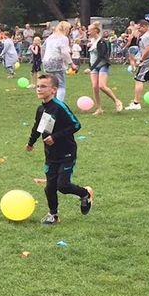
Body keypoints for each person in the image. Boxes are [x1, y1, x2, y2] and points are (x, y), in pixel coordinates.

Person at [25, 74, 92, 225]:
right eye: (37, 86)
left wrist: (55, 137)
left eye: (43, 86)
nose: (39, 89)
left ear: (53, 90)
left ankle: (85, 194)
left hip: (66, 152)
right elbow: (38, 127)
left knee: (63, 185)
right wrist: (31, 142)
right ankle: (53, 215)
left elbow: (75, 125)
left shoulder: (60, 107)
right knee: (50, 188)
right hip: (51, 154)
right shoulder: (41, 109)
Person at [87, 24, 123, 114]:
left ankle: (117, 101)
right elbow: (92, 56)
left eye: (90, 30)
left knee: (102, 86)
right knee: (95, 87)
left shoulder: (101, 41)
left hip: (102, 65)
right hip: (94, 67)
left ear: (96, 31)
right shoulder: (92, 41)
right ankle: (99, 109)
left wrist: (91, 68)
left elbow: (101, 56)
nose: (88, 32)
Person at [41, 22, 74, 100]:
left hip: (47, 62)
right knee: (61, 86)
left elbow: (43, 48)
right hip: (57, 62)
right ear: (66, 29)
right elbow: (64, 52)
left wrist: (43, 59)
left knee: (51, 84)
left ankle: (50, 102)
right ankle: (59, 105)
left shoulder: (50, 37)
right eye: (69, 29)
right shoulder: (63, 38)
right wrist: (71, 63)